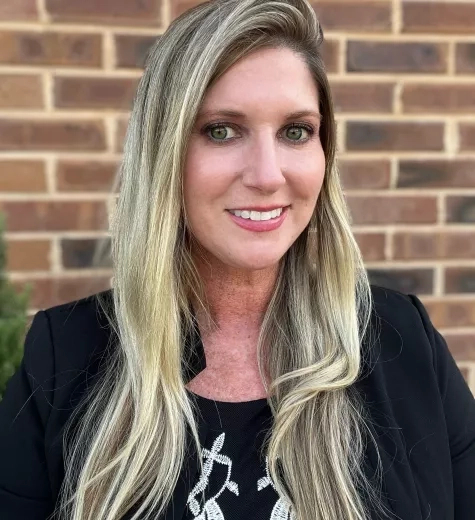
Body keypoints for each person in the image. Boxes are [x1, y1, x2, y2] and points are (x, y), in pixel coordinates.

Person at [1, 0, 474, 519]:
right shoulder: (64, 354)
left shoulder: (403, 342)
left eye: (296, 131)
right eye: (222, 130)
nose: (268, 175)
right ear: (166, 154)